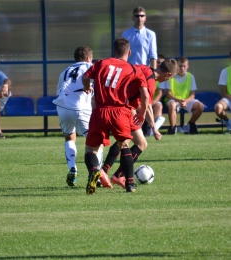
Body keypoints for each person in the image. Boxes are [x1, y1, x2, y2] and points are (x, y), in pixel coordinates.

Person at [82, 38, 149, 194]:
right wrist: (142, 113)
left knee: (91, 150)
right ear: (129, 52)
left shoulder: (101, 63)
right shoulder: (133, 69)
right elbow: (144, 95)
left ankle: (94, 171)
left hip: (100, 110)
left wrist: (88, 88)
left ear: (114, 52)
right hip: (120, 112)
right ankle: (130, 184)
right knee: (124, 145)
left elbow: (85, 78)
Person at [101, 59, 179, 189]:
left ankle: (104, 171)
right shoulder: (151, 82)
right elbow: (147, 105)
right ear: (168, 74)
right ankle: (118, 175)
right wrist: (154, 128)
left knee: (124, 140)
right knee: (141, 143)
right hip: (124, 109)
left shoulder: (142, 68)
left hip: (113, 104)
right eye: (170, 78)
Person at [52, 46, 104, 187]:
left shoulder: (65, 71)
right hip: (81, 108)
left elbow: (60, 91)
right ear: (88, 58)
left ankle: (72, 169)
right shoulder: (91, 67)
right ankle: (97, 175)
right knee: (96, 142)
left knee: (69, 137)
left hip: (62, 107)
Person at [160, 56, 204, 135]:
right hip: (174, 100)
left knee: (200, 106)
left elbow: (192, 95)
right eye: (180, 66)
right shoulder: (171, 75)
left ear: (187, 67)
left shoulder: (191, 76)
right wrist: (179, 101)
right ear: (177, 66)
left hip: (186, 101)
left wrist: (185, 101)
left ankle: (190, 124)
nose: (182, 68)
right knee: (172, 105)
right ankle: (173, 128)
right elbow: (168, 94)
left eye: (184, 66)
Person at [143, 54, 166, 136]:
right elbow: (144, 96)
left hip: (152, 101)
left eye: (162, 63)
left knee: (158, 106)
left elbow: (159, 94)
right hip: (142, 102)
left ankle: (152, 128)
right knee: (141, 143)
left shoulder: (160, 78)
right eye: (158, 62)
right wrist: (147, 105)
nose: (160, 65)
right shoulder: (149, 75)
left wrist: (150, 104)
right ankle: (152, 128)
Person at [214, 52, 231, 132]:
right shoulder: (225, 71)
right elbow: (223, 93)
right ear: (230, 59)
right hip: (228, 98)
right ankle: (229, 122)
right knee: (218, 108)